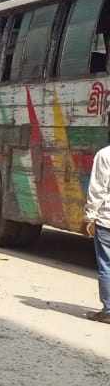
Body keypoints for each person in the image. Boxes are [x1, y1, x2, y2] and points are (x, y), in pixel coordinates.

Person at [84, 135, 110, 324]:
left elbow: (97, 189)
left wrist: (90, 216)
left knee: (106, 266)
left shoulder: (104, 155)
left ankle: (108, 310)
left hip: (107, 219)